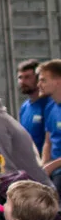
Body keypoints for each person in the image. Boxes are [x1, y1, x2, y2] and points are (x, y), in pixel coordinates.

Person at [35, 60, 61, 188]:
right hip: (54, 171)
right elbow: (48, 141)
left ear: (58, 81)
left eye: (43, 80)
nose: (39, 84)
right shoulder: (50, 106)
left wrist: (52, 166)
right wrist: (43, 164)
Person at [17, 60, 51, 152]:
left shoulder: (50, 105)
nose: (22, 81)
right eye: (20, 77)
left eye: (27, 77)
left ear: (38, 79)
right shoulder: (24, 107)